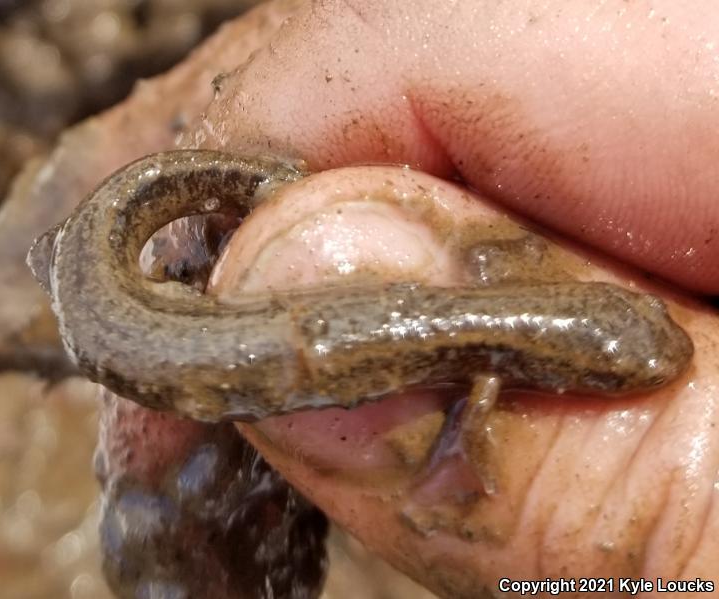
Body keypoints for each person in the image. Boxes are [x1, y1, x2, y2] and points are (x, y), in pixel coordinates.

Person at [182, 0, 717, 594]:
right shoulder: (489, 372)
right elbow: (468, 416)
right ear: (556, 369)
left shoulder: (500, 323)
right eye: (624, 375)